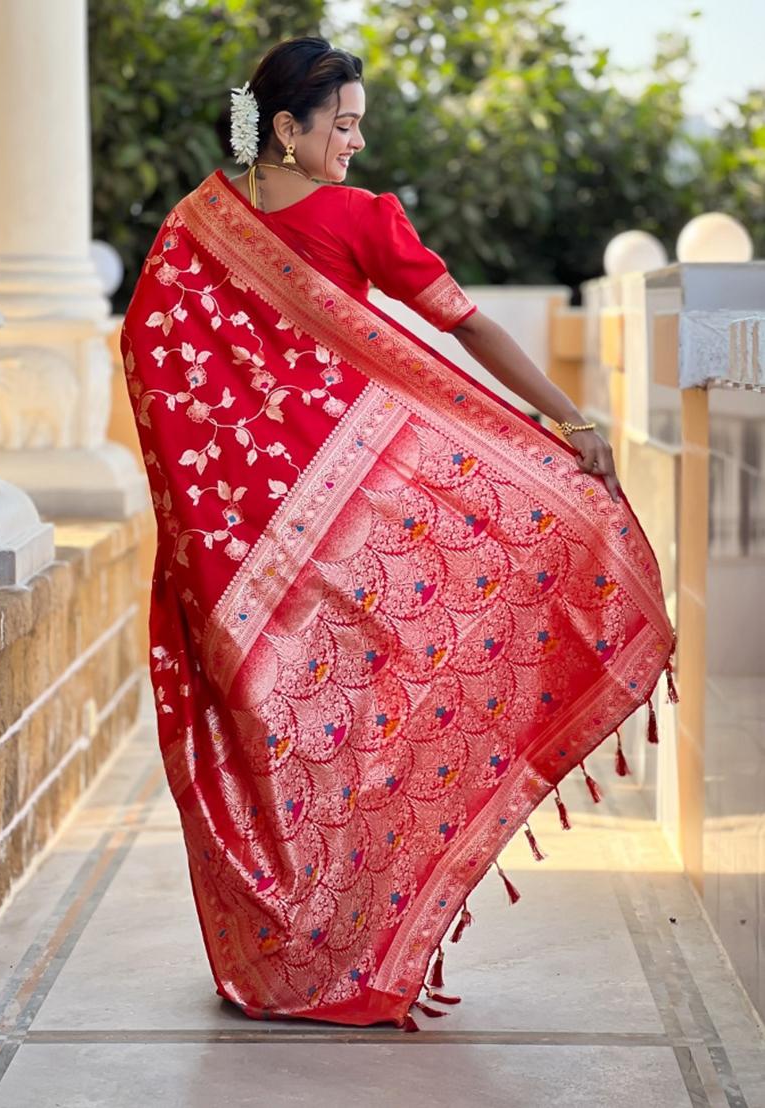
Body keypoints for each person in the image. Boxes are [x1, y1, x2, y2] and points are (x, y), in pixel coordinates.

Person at [120, 34, 675, 1031]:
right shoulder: (311, 222)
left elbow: (154, 367)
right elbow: (469, 325)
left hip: (246, 550)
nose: (355, 143)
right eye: (342, 124)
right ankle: (327, 951)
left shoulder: (194, 227)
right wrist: (570, 420)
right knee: (350, 733)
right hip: (325, 537)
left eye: (361, 125)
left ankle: (291, 954)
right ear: (284, 128)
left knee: (278, 733)